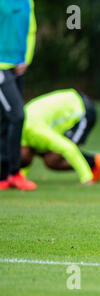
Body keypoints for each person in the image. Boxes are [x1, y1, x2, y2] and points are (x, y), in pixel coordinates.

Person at [19, 89, 100, 185]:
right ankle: (91, 165)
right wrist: (20, 178)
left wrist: (86, 179)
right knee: (41, 152)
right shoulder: (20, 133)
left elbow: (69, 148)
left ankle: (97, 162)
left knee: (52, 160)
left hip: (81, 109)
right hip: (68, 102)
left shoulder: (37, 132)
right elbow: (25, 157)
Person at [0, 0, 37, 190]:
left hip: (18, 68)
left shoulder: (27, 2)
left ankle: (4, 176)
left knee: (6, 120)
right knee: (17, 115)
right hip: (1, 67)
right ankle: (14, 173)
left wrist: (25, 60)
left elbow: (30, 31)